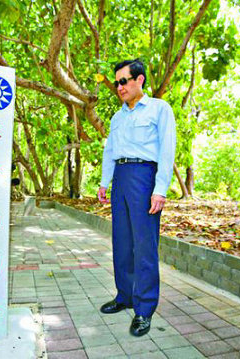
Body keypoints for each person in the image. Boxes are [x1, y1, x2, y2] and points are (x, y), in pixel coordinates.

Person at [97, 59, 176, 337]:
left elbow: (167, 150)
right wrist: (104, 182)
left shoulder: (159, 109)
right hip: (121, 176)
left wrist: (160, 188)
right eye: (116, 82)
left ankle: (144, 309)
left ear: (139, 80)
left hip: (145, 177)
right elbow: (110, 152)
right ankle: (125, 296)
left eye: (123, 81)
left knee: (144, 245)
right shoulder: (117, 117)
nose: (119, 87)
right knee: (122, 241)